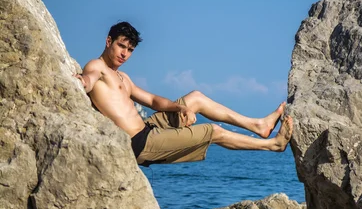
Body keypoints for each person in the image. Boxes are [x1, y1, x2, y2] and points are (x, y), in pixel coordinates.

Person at [75, 22, 293, 166]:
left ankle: (257, 125)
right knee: (213, 131)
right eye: (121, 46)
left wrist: (180, 107)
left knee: (195, 97)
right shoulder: (97, 66)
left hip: (150, 128)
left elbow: (152, 100)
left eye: (130, 50)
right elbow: (89, 78)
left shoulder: (123, 78)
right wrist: (82, 82)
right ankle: (273, 145)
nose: (125, 53)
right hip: (139, 143)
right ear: (108, 41)